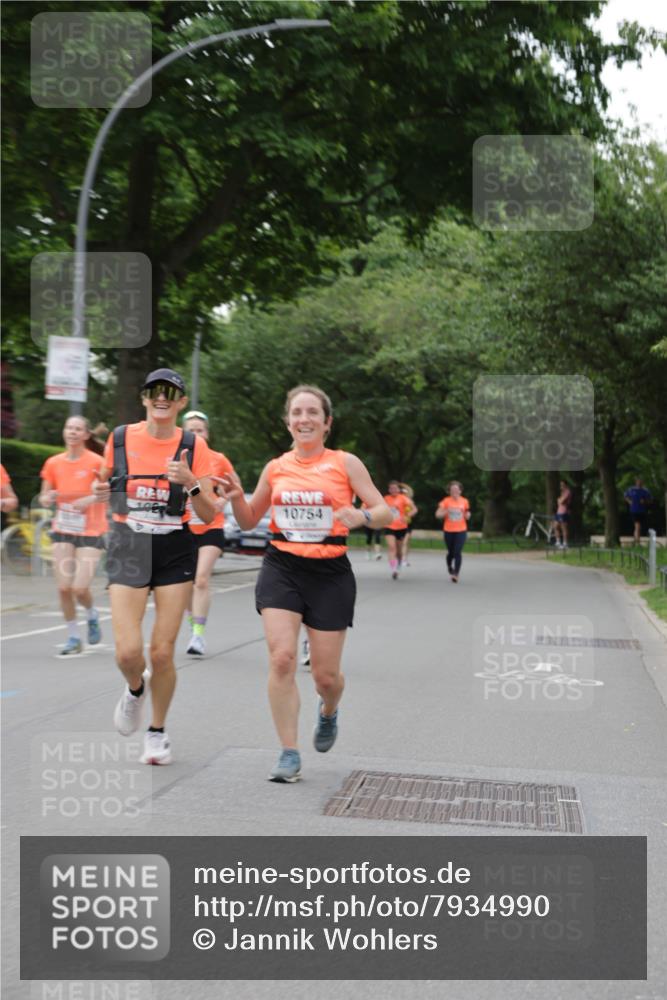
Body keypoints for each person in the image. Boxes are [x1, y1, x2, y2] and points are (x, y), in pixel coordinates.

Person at [218, 384, 391, 783]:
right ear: (288, 422)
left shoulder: (345, 463)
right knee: (281, 658)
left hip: (329, 573)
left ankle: (328, 711)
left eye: (313, 412)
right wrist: (235, 496)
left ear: (327, 423)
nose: (304, 419)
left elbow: (383, 510)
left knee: (325, 678)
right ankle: (288, 753)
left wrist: (363, 517)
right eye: (297, 413)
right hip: (282, 567)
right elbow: (247, 520)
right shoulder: (275, 467)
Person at [92, 369, 216, 765]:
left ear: (180, 402)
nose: (162, 398)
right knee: (129, 652)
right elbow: (106, 486)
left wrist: (191, 482)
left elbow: (209, 511)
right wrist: (100, 491)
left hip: (173, 548)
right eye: (154, 392)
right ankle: (134, 689)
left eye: (171, 393)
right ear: (145, 399)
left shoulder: (195, 446)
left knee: (162, 653)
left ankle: (157, 732)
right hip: (128, 544)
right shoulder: (121, 438)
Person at [38, 417, 108, 655]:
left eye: (78, 429)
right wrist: (47, 498)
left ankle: (92, 614)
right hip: (63, 529)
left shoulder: (97, 462)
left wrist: (88, 499)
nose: (73, 432)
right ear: (64, 432)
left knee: (79, 588)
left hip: (92, 530)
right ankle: (73, 637)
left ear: (86, 435)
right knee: (63, 588)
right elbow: (44, 496)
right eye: (69, 428)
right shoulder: (53, 463)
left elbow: (107, 493)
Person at [181, 410, 235, 655]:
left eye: (200, 430)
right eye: (191, 430)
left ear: (207, 434)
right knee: (184, 585)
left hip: (211, 526)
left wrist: (223, 501)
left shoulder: (218, 459)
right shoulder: (175, 459)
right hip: (182, 528)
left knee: (201, 579)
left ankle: (198, 636)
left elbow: (234, 488)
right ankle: (194, 627)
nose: (196, 434)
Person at [435, 481, 470, 582]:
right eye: (452, 489)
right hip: (448, 530)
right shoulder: (445, 501)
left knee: (457, 552)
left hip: (461, 530)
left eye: (456, 489)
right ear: (449, 491)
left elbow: (467, 513)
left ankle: (456, 574)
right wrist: (446, 511)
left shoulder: (464, 501)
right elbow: (437, 515)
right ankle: (450, 566)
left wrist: (468, 515)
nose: (454, 491)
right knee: (451, 552)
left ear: (460, 490)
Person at [383, 480, 416, 580]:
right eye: (391, 488)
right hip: (389, 526)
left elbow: (414, 509)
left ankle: (399, 565)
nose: (393, 490)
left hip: (401, 527)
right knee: (392, 547)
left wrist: (407, 515)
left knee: (399, 551)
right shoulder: (385, 499)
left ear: (398, 489)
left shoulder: (403, 498)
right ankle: (394, 570)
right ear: (389, 490)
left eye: (395, 488)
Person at [624, 477, 652, 544]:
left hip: (642, 511)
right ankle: (637, 542)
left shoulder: (645, 491)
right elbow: (626, 496)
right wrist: (629, 501)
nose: (639, 482)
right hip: (634, 510)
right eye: (638, 481)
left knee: (638, 527)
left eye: (640, 481)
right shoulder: (631, 490)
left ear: (642, 482)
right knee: (637, 526)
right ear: (636, 482)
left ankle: (636, 540)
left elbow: (650, 500)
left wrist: (644, 501)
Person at [399, 483, 418, 567]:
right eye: (402, 493)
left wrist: (407, 515)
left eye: (405, 493)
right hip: (399, 525)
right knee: (403, 542)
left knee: (406, 542)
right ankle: (402, 558)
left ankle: (404, 558)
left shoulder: (409, 502)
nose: (404, 495)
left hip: (408, 524)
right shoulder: (398, 501)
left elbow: (414, 511)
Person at [553, 479, 572, 549]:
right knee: (555, 526)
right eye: (560, 485)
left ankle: (565, 544)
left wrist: (559, 500)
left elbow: (561, 501)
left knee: (564, 528)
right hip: (559, 512)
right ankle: (558, 542)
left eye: (562, 485)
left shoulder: (567, 492)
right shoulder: (562, 492)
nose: (561, 486)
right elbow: (559, 501)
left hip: (564, 512)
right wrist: (559, 500)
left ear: (565, 485)